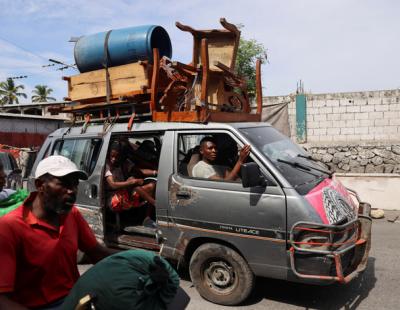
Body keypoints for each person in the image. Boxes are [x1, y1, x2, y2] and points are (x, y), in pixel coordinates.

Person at [0, 155, 114, 309]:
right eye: (64, 184)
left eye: (75, 185)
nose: (72, 191)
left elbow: (96, 252)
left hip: (74, 299)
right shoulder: (10, 227)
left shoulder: (72, 215)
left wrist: (138, 261)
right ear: (40, 185)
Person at [105, 142, 156, 225]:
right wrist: (132, 182)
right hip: (113, 198)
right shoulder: (107, 165)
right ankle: (154, 203)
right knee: (132, 181)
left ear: (121, 156)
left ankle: (147, 218)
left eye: (117, 156)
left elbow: (140, 171)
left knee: (152, 186)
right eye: (112, 156)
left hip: (125, 192)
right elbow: (112, 185)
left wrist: (155, 172)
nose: (113, 159)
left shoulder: (124, 163)